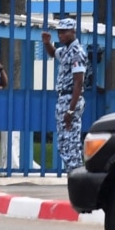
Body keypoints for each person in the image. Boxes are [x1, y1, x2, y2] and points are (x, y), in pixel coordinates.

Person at [42, 18, 87, 172]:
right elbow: (54, 53)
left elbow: (78, 83)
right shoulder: (66, 50)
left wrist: (70, 110)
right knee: (63, 142)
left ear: (73, 31)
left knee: (71, 142)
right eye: (59, 32)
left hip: (70, 99)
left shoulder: (77, 52)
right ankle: (73, 174)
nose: (60, 35)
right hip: (63, 98)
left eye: (64, 32)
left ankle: (76, 175)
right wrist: (47, 43)